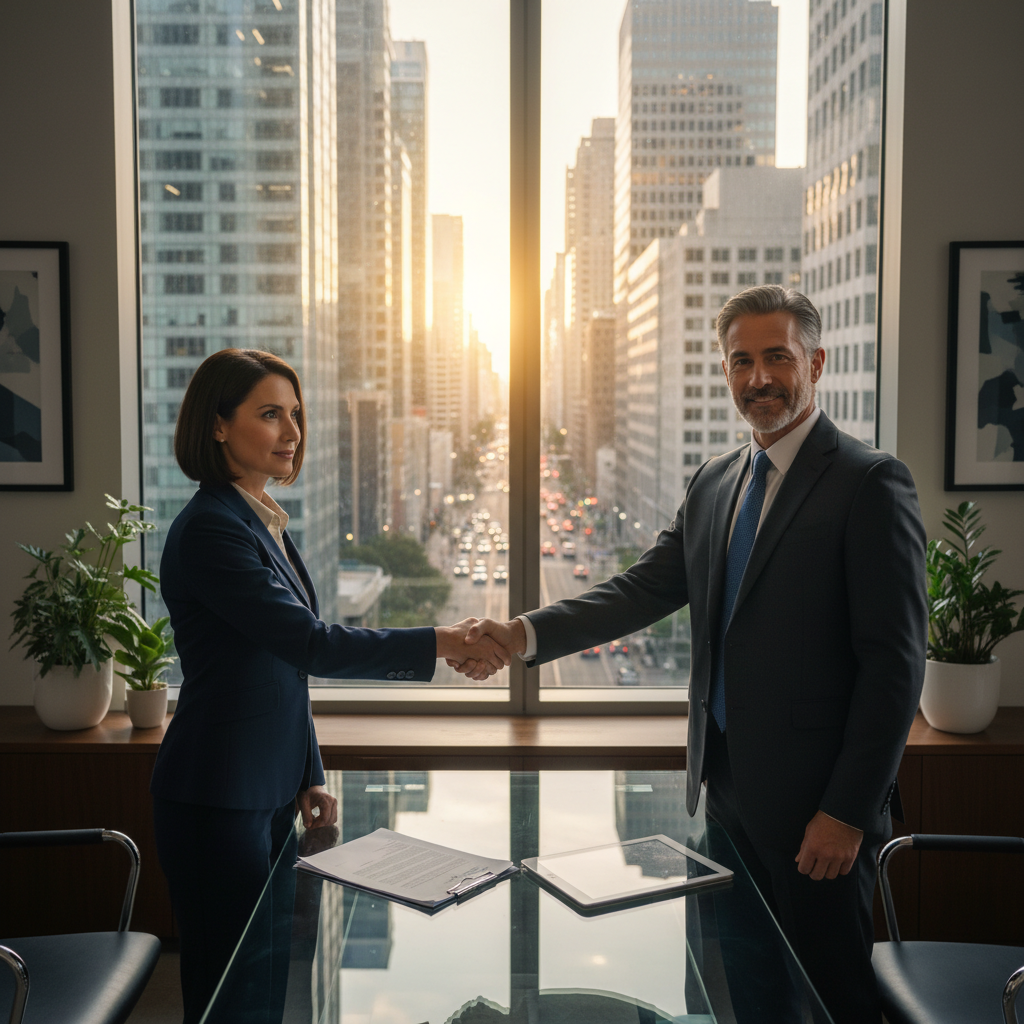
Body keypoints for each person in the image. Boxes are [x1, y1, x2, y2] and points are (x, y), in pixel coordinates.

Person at [463, 286, 927, 1023]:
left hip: (818, 811)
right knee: (738, 988)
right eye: (740, 361)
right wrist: (521, 636)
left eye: (778, 357)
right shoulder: (717, 481)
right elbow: (640, 591)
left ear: (818, 362)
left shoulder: (869, 483)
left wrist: (845, 812)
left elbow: (895, 666)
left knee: (828, 996)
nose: (758, 378)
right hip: (726, 790)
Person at [150, 348, 510, 1023]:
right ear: (218, 425)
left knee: (266, 977)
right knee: (230, 989)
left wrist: (308, 771)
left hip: (266, 787)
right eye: (269, 414)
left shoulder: (261, 523)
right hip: (216, 797)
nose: (291, 431)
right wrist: (442, 641)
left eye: (295, 414)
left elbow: (281, 670)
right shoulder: (210, 531)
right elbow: (311, 644)